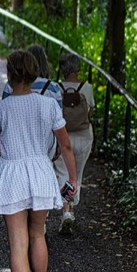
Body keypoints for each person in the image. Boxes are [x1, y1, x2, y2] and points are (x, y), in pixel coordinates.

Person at [0, 50, 78, 272]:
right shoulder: (48, 106)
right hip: (40, 172)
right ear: (34, 72)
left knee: (17, 243)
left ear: (10, 75)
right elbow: (65, 144)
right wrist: (73, 179)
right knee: (38, 235)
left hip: (12, 175)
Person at [54, 53, 95, 233]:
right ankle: (71, 208)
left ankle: (66, 210)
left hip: (63, 136)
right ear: (78, 68)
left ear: (62, 69)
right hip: (84, 135)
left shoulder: (56, 88)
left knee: (63, 172)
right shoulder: (88, 88)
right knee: (77, 174)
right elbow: (90, 112)